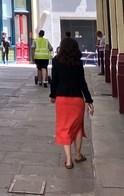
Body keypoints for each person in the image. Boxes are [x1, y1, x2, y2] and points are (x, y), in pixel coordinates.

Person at [49, 37, 94, 169]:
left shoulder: (56, 61)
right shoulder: (78, 63)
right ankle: (78, 155)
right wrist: (89, 100)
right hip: (77, 99)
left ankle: (68, 161)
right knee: (78, 126)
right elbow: (82, 83)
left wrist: (52, 95)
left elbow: (54, 81)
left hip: (61, 99)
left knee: (64, 127)